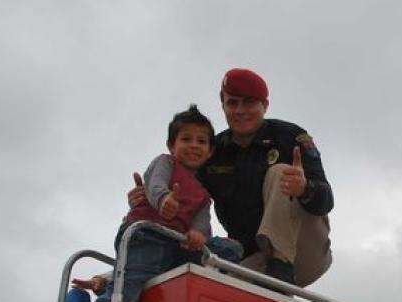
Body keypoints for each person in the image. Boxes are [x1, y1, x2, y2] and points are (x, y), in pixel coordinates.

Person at [33, 104, 242, 302]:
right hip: (146, 236)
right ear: (172, 145)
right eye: (186, 139)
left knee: (230, 249)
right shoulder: (165, 163)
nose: (194, 146)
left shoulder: (203, 195)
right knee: (125, 292)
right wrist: (163, 200)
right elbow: (155, 186)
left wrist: (197, 236)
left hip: (175, 245)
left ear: (209, 151)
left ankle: (200, 280)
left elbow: (201, 226)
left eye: (201, 141)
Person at [130, 68, 333, 286]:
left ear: (265, 105)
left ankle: (280, 268)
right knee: (208, 287)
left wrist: (304, 188)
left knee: (280, 173)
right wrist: (149, 198)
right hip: (254, 258)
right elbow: (183, 197)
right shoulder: (211, 152)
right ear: (223, 105)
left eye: (248, 103)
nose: (239, 111)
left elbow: (326, 200)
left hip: (304, 250)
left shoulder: (289, 137)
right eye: (232, 103)